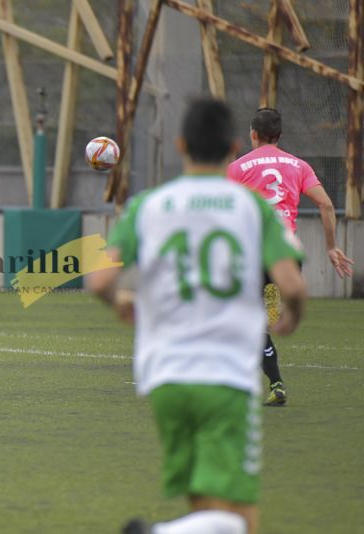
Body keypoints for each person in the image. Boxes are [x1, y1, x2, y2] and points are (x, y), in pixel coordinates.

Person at [88, 98, 306, 534]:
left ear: (181, 144)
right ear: (231, 147)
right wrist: (291, 317)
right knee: (242, 516)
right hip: (224, 376)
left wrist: (122, 303)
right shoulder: (252, 208)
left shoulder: (149, 205)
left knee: (204, 503)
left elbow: (98, 280)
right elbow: (292, 284)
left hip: (164, 376)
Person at [227, 107, 354, 406]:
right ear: (280, 136)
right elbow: (325, 204)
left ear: (253, 134)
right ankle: (270, 317)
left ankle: (273, 381)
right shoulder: (298, 165)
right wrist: (331, 247)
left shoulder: (238, 168)